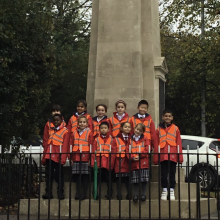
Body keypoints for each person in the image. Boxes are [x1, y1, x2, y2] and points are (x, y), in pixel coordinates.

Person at [153, 109, 183, 201]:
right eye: (166, 116)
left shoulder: (176, 128)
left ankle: (171, 190)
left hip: (172, 153)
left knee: (172, 173)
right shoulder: (158, 129)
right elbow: (156, 143)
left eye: (169, 116)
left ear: (172, 118)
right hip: (162, 154)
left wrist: (180, 157)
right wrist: (156, 157)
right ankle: (164, 190)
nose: (167, 118)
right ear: (162, 117)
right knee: (163, 173)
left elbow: (179, 143)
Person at [41, 114, 69, 200]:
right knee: (49, 175)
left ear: (61, 121)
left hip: (58, 156)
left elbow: (65, 146)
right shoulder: (51, 130)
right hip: (49, 155)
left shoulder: (65, 131)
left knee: (59, 175)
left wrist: (63, 158)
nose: (56, 122)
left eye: (58, 120)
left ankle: (60, 192)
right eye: (55, 120)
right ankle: (48, 192)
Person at [70, 115, 93, 200]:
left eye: (84, 122)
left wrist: (90, 158)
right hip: (76, 156)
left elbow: (91, 145)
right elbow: (71, 144)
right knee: (77, 176)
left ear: (87, 124)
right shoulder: (74, 133)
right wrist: (71, 157)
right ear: (78, 123)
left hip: (85, 157)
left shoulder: (89, 133)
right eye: (80, 122)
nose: (82, 124)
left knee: (85, 176)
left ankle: (84, 193)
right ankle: (78, 192)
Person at [91, 121, 116, 200]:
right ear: (99, 129)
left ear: (108, 129)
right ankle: (95, 193)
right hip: (99, 162)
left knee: (109, 179)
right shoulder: (96, 139)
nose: (103, 130)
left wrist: (111, 164)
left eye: (105, 128)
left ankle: (110, 193)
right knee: (97, 179)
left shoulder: (112, 140)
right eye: (102, 128)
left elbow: (113, 153)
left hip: (108, 163)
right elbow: (93, 152)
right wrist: (93, 164)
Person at [127, 123, 151, 202]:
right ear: (134, 129)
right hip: (134, 162)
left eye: (140, 131)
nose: (138, 131)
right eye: (137, 129)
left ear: (142, 132)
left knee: (144, 180)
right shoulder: (130, 139)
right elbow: (127, 150)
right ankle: (136, 195)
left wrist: (140, 156)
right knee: (135, 180)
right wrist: (132, 157)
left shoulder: (145, 138)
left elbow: (147, 149)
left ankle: (143, 194)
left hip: (143, 162)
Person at [113, 122, 131, 200]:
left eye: (129, 127)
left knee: (128, 178)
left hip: (128, 160)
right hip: (119, 160)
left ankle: (129, 194)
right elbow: (113, 150)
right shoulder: (116, 138)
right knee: (119, 178)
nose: (127, 128)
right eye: (125, 127)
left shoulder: (132, 138)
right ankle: (119, 194)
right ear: (121, 128)